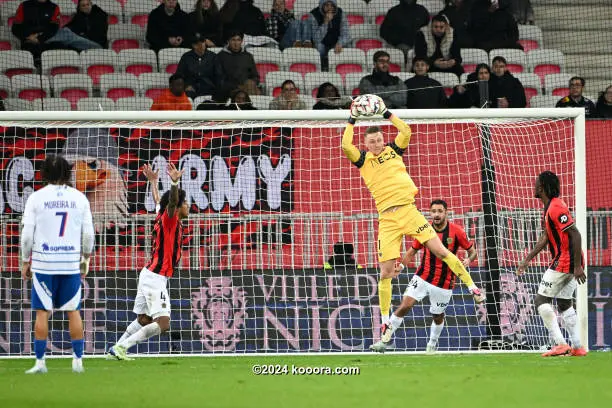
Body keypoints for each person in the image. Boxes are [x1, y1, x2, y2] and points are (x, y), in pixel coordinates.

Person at [341, 97, 485, 347]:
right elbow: (345, 145)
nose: (375, 144)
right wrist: (353, 119)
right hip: (387, 219)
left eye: (377, 140)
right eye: (370, 141)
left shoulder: (394, 151)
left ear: (383, 140)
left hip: (409, 212)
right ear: (364, 144)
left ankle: (473, 288)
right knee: (385, 273)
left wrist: (386, 114)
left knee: (441, 251)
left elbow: (405, 130)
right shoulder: (363, 161)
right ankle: (385, 323)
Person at [370, 199, 478, 352]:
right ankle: (384, 341)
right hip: (422, 277)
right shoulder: (423, 229)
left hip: (444, 282)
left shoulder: (457, 231)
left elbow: (472, 251)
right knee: (404, 306)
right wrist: (401, 265)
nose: (436, 214)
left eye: (440, 211)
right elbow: (412, 251)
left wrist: (468, 259)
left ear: (446, 212)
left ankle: (431, 345)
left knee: (437, 316)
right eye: (433, 211)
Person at [20, 154, 95, 373]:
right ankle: (78, 362)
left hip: (44, 264)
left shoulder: (36, 197)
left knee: (42, 312)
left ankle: (40, 362)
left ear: (44, 173)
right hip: (70, 262)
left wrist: (26, 260)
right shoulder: (79, 198)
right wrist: (86, 258)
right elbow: (88, 234)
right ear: (68, 171)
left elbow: (26, 235)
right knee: (73, 311)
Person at [108, 163, 189, 360]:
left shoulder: (162, 215)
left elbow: (158, 200)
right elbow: (169, 203)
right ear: (177, 206)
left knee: (144, 319)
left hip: (149, 274)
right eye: (185, 203)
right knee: (163, 323)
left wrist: (153, 182)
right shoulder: (170, 220)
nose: (188, 207)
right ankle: (123, 347)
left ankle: (115, 349)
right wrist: (174, 182)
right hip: (155, 278)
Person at [517, 171, 587, 357]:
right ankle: (578, 347)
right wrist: (527, 259)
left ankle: (560, 344)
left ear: (541, 187)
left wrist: (577, 266)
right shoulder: (549, 208)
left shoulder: (556, 207)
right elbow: (545, 238)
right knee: (564, 303)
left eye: (536, 183)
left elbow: (576, 234)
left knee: (541, 300)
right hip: (570, 260)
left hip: (566, 260)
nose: (533, 186)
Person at [12, 0, 102, 57]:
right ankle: (98, 49)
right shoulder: (24, 6)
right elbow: (15, 28)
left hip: (48, 37)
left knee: (65, 33)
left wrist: (40, 38)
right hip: (29, 39)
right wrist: (29, 37)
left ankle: (97, 49)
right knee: (66, 33)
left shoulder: (54, 7)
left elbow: (54, 28)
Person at [175, 33, 224, 99]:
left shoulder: (213, 57)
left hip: (209, 88)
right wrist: (186, 86)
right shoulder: (186, 57)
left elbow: (219, 76)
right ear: (193, 45)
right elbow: (179, 75)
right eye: (197, 43)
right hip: (191, 89)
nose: (201, 45)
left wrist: (217, 89)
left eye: (203, 42)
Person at [217, 31, 261, 97]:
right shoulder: (220, 56)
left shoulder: (248, 56)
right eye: (233, 40)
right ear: (228, 41)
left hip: (248, 88)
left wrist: (252, 83)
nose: (236, 43)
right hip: (230, 90)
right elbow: (220, 80)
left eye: (238, 40)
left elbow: (255, 76)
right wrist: (238, 87)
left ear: (241, 41)